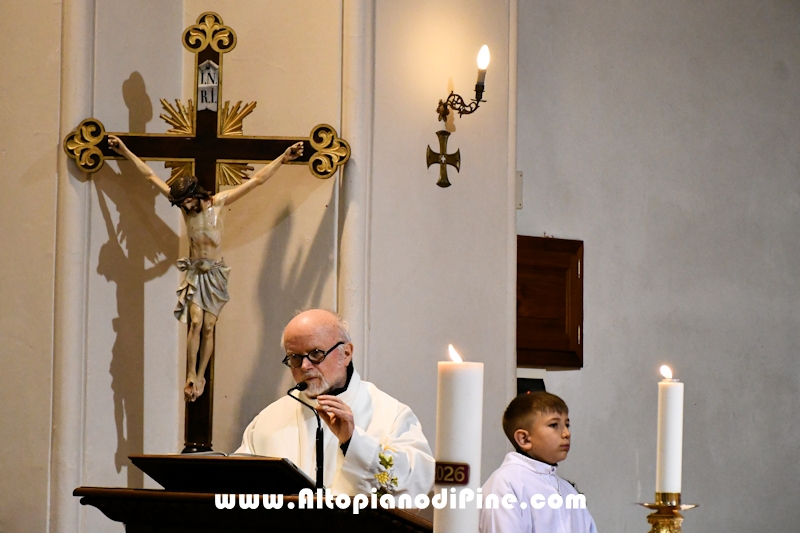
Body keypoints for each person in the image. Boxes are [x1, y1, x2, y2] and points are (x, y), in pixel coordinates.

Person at [107, 135, 303, 402]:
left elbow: (256, 181)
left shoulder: (219, 203)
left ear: (195, 195)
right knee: (195, 322)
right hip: (195, 273)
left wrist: (284, 158)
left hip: (214, 273)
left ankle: (201, 376)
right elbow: (150, 177)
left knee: (209, 327)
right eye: (181, 204)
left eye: (187, 202)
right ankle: (190, 374)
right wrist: (124, 150)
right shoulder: (187, 210)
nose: (185, 207)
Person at [235, 309, 435, 497]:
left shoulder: (391, 415)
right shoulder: (267, 421)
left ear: (346, 353)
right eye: (295, 358)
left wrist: (352, 442)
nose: (305, 366)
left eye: (315, 354)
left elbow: (417, 480)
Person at [479, 392, 597, 533]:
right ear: (524, 439)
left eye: (567, 425)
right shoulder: (506, 484)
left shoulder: (569, 492)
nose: (566, 433)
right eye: (554, 425)